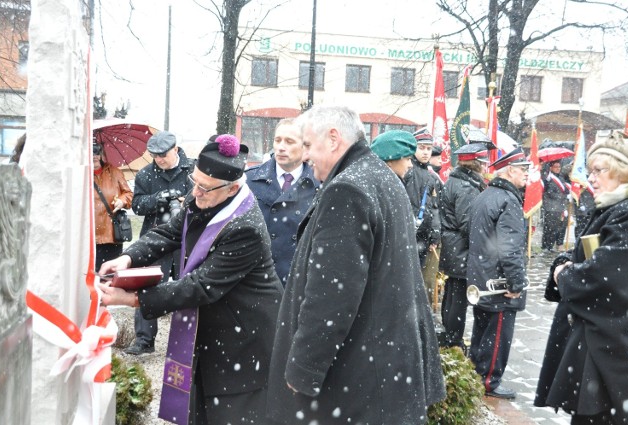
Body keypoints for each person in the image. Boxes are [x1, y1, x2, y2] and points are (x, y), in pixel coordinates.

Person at [266, 105, 445, 425]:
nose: (305, 156)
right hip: (384, 373)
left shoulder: (346, 190)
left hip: (356, 381)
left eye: (308, 145)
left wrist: (303, 370)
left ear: (333, 138)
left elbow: (331, 297)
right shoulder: (381, 176)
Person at [98, 135, 283, 425]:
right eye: (194, 182)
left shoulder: (245, 227)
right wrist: (129, 258)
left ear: (233, 187)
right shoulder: (204, 197)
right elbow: (169, 233)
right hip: (209, 331)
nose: (195, 192)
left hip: (243, 339)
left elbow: (199, 286)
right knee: (198, 410)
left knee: (230, 414)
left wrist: (133, 298)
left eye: (204, 187)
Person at [535, 132, 628, 425]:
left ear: (622, 170)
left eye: (599, 170)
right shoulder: (612, 207)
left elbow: (605, 276)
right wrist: (567, 264)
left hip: (610, 348)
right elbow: (587, 258)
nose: (592, 177)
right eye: (591, 171)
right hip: (601, 341)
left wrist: (565, 274)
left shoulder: (626, 213)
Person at [467, 147, 530, 400]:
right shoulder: (509, 200)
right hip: (499, 282)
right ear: (510, 171)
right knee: (497, 334)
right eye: (523, 169)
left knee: (481, 330)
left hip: (482, 276)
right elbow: (510, 248)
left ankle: (475, 373)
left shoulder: (485, 195)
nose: (527, 174)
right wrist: (516, 282)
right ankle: (489, 381)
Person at [127, 131, 194, 355]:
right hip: (157, 238)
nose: (159, 159)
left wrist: (187, 200)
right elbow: (136, 205)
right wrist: (158, 198)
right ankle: (144, 340)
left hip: (188, 237)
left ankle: (191, 340)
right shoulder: (146, 174)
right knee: (148, 286)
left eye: (163, 154)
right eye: (154, 155)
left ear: (175, 149)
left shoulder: (193, 171)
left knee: (192, 287)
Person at [246, 118, 319, 285]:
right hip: (256, 281)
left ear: (305, 146)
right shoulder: (250, 180)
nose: (280, 147)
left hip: (297, 281)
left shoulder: (319, 184)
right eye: (277, 140)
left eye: (289, 141)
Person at [439, 143, 488, 350]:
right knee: (458, 296)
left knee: (453, 291)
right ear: (476, 164)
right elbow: (469, 224)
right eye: (484, 163)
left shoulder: (457, 180)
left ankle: (450, 335)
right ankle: (454, 340)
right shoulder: (467, 186)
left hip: (453, 244)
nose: (486, 167)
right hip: (461, 246)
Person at [92, 142, 133, 269]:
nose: (94, 155)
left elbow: (129, 194)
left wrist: (122, 201)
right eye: (91, 152)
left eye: (97, 151)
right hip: (89, 234)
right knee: (91, 273)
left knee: (110, 273)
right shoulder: (80, 174)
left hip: (111, 233)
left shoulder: (114, 172)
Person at [405, 128, 442, 267]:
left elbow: (434, 207)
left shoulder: (431, 176)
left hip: (423, 235)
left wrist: (435, 233)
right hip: (407, 233)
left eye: (428, 148)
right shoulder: (407, 169)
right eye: (421, 148)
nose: (426, 152)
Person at [542, 160, 570, 252]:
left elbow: (564, 189)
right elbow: (550, 193)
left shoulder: (561, 177)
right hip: (551, 207)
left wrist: (567, 193)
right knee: (550, 228)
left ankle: (556, 244)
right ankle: (547, 246)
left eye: (559, 167)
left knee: (560, 227)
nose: (558, 169)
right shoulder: (548, 178)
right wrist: (563, 196)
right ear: (551, 168)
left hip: (560, 206)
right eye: (556, 167)